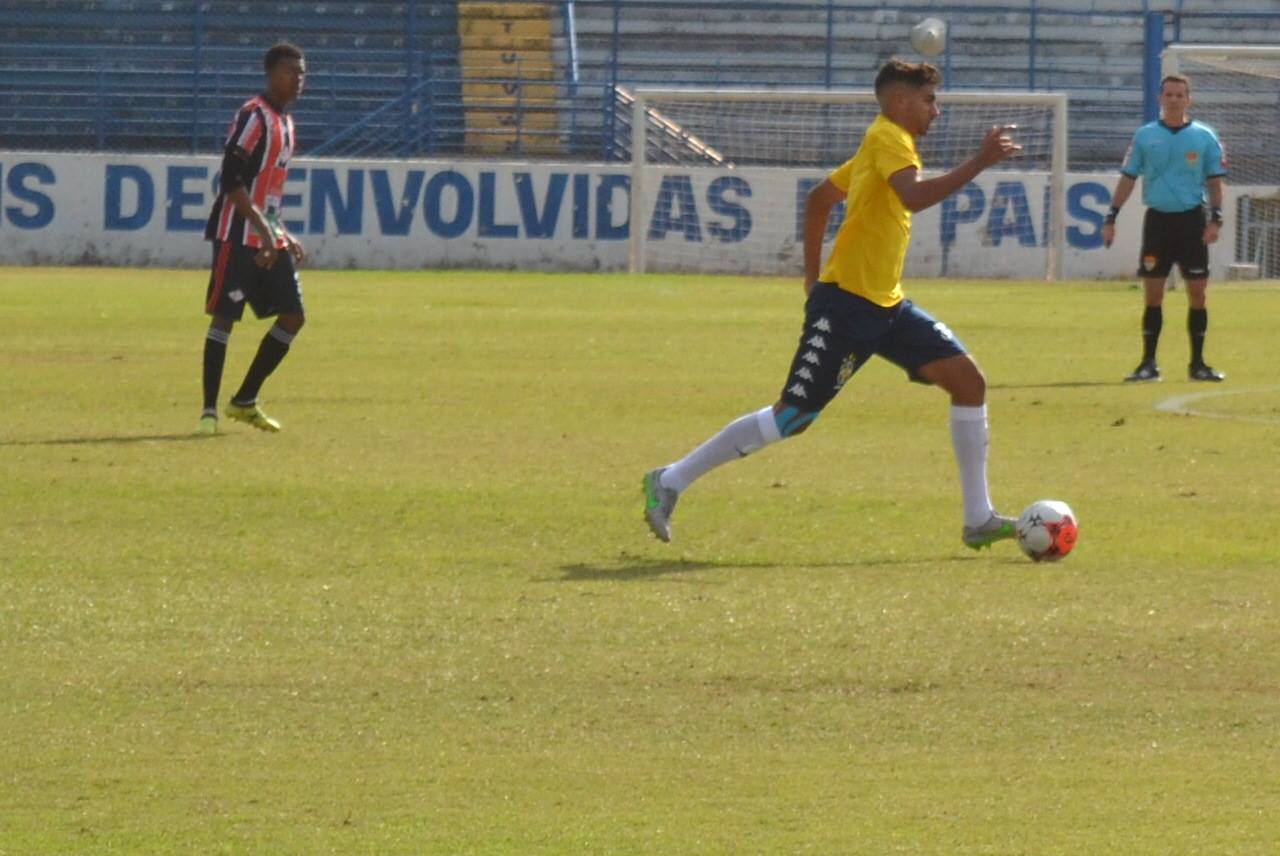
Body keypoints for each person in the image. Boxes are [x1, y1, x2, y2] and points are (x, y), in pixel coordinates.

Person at [643, 59, 1022, 550]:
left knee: (968, 382)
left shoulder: (880, 145)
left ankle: (979, 519)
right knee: (791, 418)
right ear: (901, 101)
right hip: (845, 309)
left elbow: (821, 198)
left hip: (886, 306)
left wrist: (809, 275)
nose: (938, 111)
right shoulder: (888, 138)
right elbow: (910, 198)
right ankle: (669, 480)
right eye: (930, 100)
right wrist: (979, 162)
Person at [197, 42, 308, 435]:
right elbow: (231, 180)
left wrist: (279, 232)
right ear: (271, 74)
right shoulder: (253, 116)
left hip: (266, 235)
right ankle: (208, 412)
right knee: (225, 318)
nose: (299, 79)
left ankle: (244, 399)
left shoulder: (287, 124)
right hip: (236, 234)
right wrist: (262, 230)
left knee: (294, 316)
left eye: (302, 73)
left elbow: (270, 193)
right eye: (291, 71)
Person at [1102, 74, 1227, 383]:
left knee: (1198, 294)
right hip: (1158, 222)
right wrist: (1111, 216)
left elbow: (1214, 180)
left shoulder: (1204, 136)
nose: (1173, 99)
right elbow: (1128, 178)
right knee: (1153, 294)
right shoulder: (1144, 136)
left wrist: (1216, 219)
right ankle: (1148, 364)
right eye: (1168, 94)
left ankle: (1198, 364)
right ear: (1160, 98)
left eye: (1179, 95)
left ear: (1189, 100)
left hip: (1192, 221)